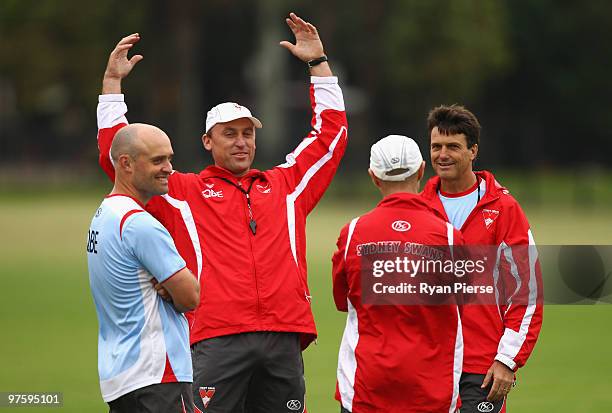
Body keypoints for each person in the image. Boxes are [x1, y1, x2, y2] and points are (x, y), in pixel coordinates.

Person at [96, 13, 347, 413]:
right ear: (207, 141)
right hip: (215, 337)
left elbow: (329, 138)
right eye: (229, 133)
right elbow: (121, 156)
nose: (242, 142)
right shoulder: (181, 191)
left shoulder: (285, 186)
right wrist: (112, 89)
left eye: (248, 132)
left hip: (283, 334)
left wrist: (319, 66)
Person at [421, 105, 543, 413]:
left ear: (473, 150)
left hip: (482, 364)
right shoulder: (417, 208)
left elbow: (526, 291)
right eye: (436, 146)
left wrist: (507, 359)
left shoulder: (503, 208)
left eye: (453, 146)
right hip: (424, 363)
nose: (442, 155)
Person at [332, 135, 465, 413]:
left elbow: (343, 301)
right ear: (421, 171)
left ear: (374, 177)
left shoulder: (353, 233)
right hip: (432, 391)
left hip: (366, 388)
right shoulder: (451, 238)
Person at [87, 123, 200, 412]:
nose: (169, 169)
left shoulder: (104, 215)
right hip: (157, 374)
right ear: (125, 163)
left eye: (170, 158)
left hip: (119, 374)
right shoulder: (140, 223)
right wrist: (177, 283)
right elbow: (190, 297)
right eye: (157, 160)